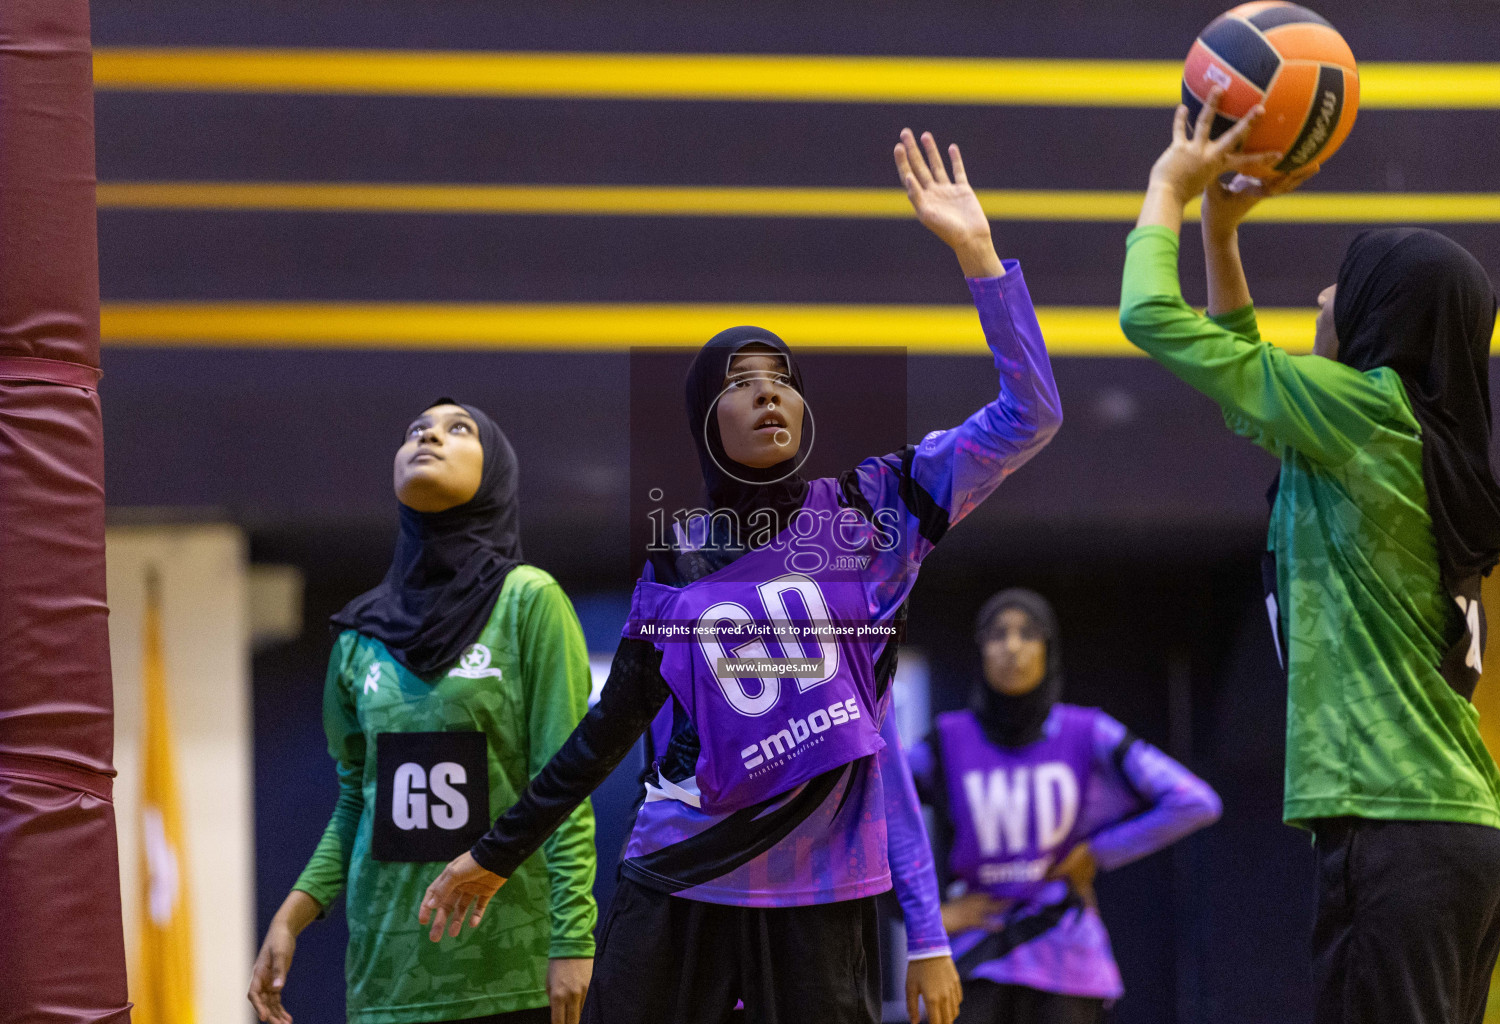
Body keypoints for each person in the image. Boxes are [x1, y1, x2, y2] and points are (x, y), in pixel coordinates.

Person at [413, 129, 1063, 1024]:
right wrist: (498, 849)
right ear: (704, 421)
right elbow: (611, 727)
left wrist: (978, 254)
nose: (767, 393)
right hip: (679, 874)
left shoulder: (881, 507)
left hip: (824, 891)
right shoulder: (676, 560)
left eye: (782, 379)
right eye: (739, 381)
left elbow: (1031, 413)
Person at [1118, 91, 1500, 1024]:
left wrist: (1167, 188)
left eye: (1344, 283)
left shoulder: (1365, 411)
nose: (1323, 296)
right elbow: (1238, 381)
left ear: (1388, 316)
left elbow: (1150, 318)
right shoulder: (1388, 437)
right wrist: (1222, 234)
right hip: (1447, 828)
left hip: (1400, 827)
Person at [248, 401, 599, 1024]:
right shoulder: (359, 635)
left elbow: (565, 784)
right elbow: (358, 801)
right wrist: (292, 914)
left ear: (495, 475)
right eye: (416, 429)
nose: (430, 433)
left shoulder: (530, 602)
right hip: (388, 977)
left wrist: (572, 940)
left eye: (456, 428)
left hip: (508, 973)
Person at [910, 588, 1221, 1024]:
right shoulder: (946, 739)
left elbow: (1196, 802)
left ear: (1048, 648)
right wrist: (931, 917)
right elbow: (874, 821)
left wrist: (1098, 852)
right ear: (980, 648)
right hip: (974, 955)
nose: (1012, 646)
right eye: (997, 634)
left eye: (1027, 633)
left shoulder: (1087, 731)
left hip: (1067, 957)